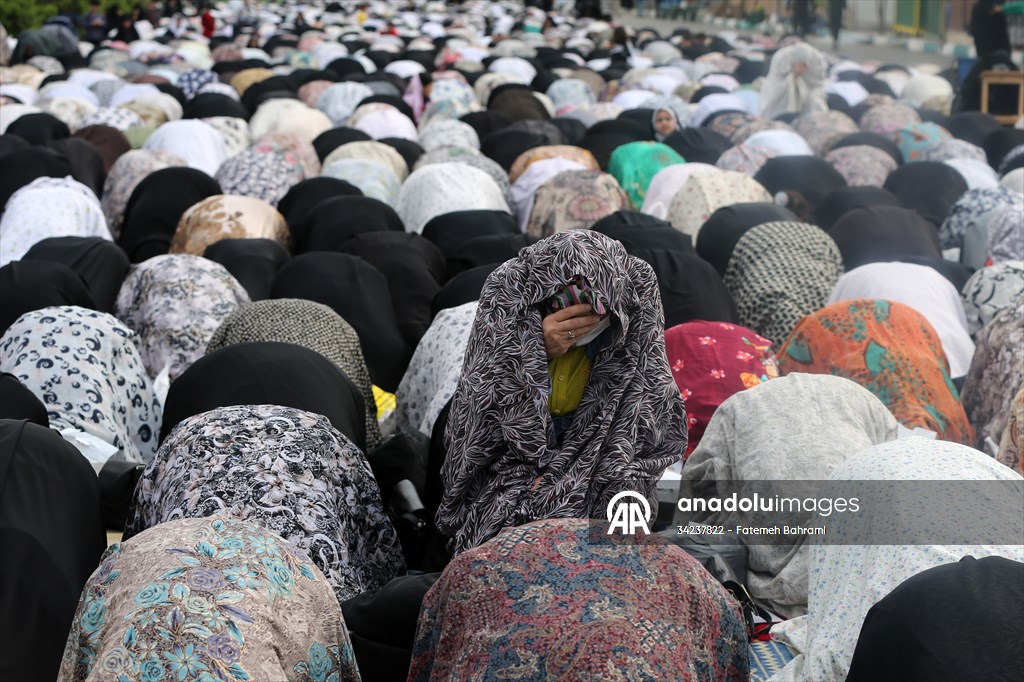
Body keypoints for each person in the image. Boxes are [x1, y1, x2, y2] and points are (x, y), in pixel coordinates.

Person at [436, 230, 687, 554]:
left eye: (594, 304)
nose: (581, 313)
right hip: (510, 472)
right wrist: (534, 350)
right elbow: (480, 426)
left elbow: (649, 431)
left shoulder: (632, 308)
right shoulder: (511, 291)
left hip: (607, 471)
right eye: (567, 301)